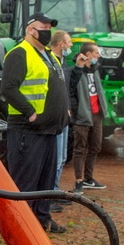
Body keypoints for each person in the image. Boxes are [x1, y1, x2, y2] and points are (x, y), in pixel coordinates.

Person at [1, 12, 70, 233]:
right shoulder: (20, 54)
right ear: (31, 29)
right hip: (27, 132)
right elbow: (8, 89)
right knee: (26, 183)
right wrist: (30, 112)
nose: (47, 31)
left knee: (45, 182)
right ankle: (22, 229)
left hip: (49, 130)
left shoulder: (48, 54)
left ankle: (43, 220)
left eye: (50, 27)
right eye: (44, 26)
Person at [69, 41, 107, 193]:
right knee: (80, 148)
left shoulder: (96, 70)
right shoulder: (76, 71)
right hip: (83, 115)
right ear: (89, 54)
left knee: (95, 146)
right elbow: (71, 91)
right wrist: (76, 111)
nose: (99, 56)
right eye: (96, 53)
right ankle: (79, 181)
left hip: (96, 114)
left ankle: (88, 179)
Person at [49, 29, 73, 212]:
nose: (71, 46)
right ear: (61, 44)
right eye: (69, 42)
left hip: (64, 115)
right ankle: (49, 196)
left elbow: (66, 88)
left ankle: (55, 191)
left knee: (62, 157)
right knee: (55, 159)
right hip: (56, 117)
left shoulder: (62, 63)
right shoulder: (50, 62)